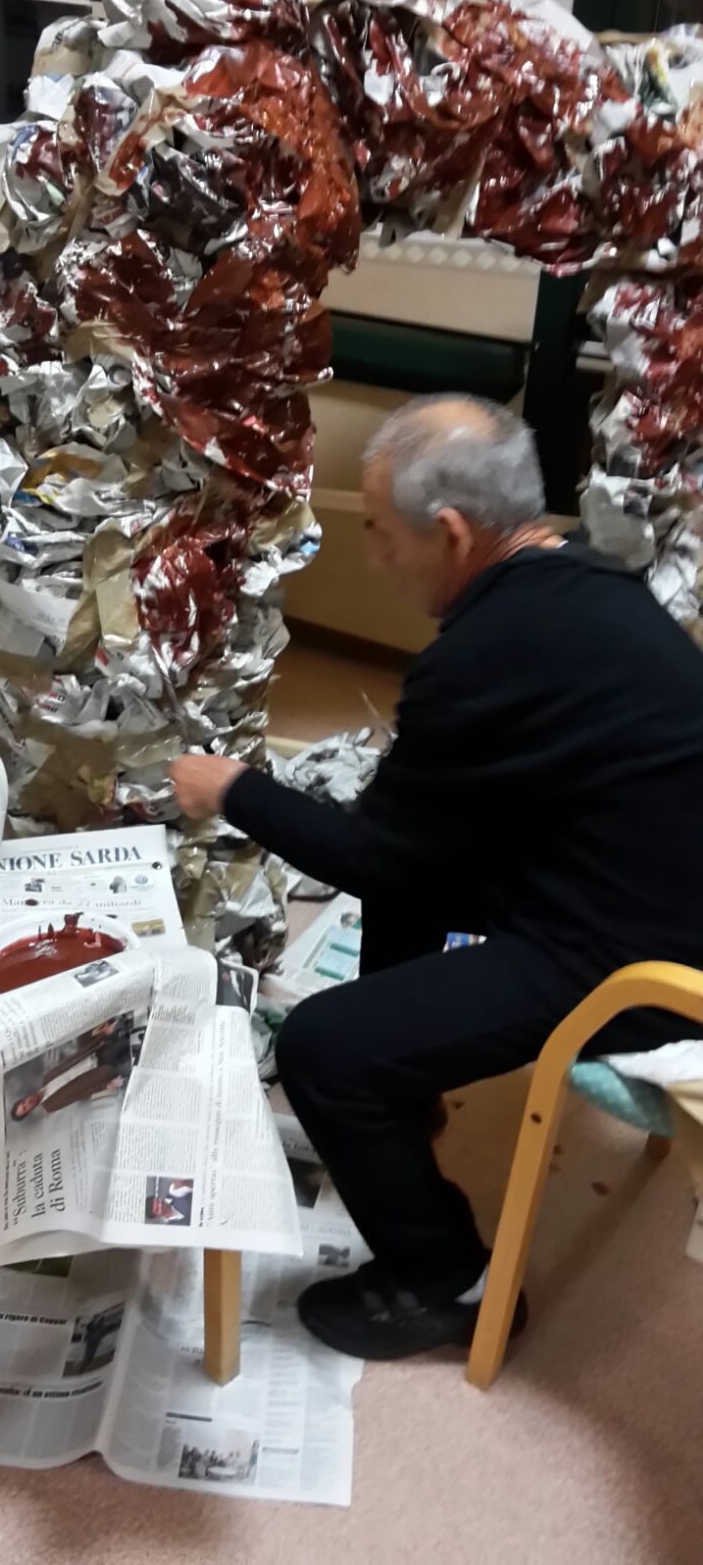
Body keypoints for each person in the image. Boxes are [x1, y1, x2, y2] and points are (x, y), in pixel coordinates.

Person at [170, 394, 703, 1363]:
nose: (377, 558)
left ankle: (445, 1278)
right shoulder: (590, 579)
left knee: (323, 1050)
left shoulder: (478, 658)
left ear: (452, 533)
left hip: (646, 965)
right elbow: (419, 849)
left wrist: (235, 789)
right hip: (640, 881)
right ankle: (402, 1097)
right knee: (409, 885)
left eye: (380, 532)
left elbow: (372, 856)